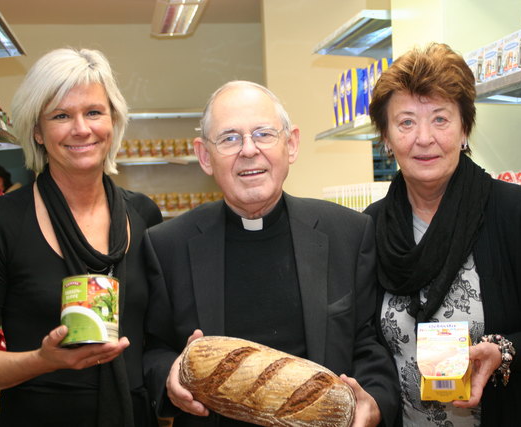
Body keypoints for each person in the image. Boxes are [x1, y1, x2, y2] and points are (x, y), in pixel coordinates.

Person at [143, 80, 400, 427]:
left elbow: (370, 343)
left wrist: (373, 403)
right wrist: (169, 375)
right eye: (229, 138)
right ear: (205, 156)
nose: (248, 150)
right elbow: (153, 348)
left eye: (264, 134)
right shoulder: (167, 245)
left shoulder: (348, 233)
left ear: (291, 144)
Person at [364, 42, 521, 426]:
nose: (424, 138)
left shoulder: (514, 211)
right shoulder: (370, 227)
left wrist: (503, 350)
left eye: (440, 119)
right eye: (405, 122)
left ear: (464, 128)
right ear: (386, 137)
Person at [0, 48, 163, 427]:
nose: (81, 129)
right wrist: (41, 361)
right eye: (61, 115)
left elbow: (157, 340)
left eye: (94, 112)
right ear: (37, 130)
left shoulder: (144, 215)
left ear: (113, 120)